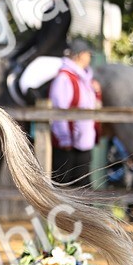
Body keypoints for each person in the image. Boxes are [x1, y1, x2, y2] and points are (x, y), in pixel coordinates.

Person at [49, 38, 99, 187]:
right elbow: (59, 110)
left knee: (83, 188)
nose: (89, 57)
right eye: (88, 54)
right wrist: (64, 139)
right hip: (68, 145)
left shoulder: (83, 78)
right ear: (80, 55)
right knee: (64, 186)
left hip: (81, 144)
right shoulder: (64, 78)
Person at [9, 0, 73, 64]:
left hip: (54, 57)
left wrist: (32, 58)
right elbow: (38, 37)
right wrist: (17, 55)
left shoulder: (64, 12)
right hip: (44, 56)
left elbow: (51, 40)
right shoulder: (49, 10)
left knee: (25, 77)